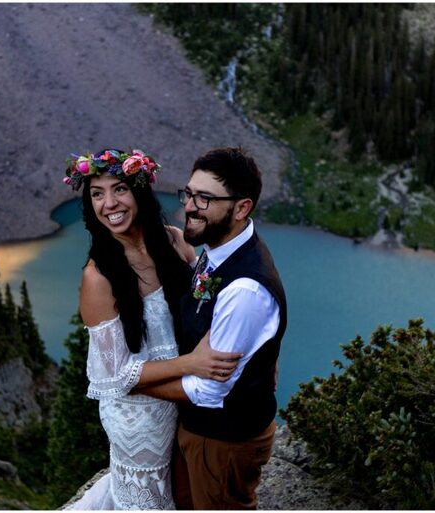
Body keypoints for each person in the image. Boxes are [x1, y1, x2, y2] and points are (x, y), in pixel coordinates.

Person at [63, 149, 243, 510]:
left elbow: (206, 305)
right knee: (148, 501)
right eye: (97, 194)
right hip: (139, 418)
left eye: (119, 189)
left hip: (185, 400)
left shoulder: (175, 241)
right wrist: (191, 363)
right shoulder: (98, 278)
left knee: (187, 492)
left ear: (140, 191)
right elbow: (113, 375)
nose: (109, 204)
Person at [139, 147, 288, 509]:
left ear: (241, 208)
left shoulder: (245, 289)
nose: (189, 207)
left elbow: (208, 391)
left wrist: (135, 384)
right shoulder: (223, 247)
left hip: (223, 442)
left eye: (205, 199)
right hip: (205, 434)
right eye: (189, 194)